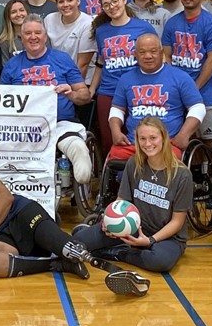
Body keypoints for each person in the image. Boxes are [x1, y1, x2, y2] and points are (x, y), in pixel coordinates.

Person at [0, 145, 150, 296]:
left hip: (22, 214)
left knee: (71, 248)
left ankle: (108, 261)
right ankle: (54, 264)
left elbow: (5, 196)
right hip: (2, 240)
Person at [72, 117, 191, 273]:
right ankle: (100, 238)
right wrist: (109, 222)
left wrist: (149, 240)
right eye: (142, 138)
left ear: (164, 138)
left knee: (160, 262)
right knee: (77, 242)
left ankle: (119, 253)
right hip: (133, 227)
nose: (148, 144)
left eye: (153, 138)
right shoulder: (133, 164)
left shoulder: (182, 175)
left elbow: (177, 222)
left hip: (168, 238)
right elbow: (121, 201)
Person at [1, 15, 94, 185]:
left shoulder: (62, 59)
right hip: (23, 129)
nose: (33, 37)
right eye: (28, 33)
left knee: (77, 148)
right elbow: (0, 104)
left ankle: (81, 178)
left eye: (38, 32)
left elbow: (85, 96)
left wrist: (70, 94)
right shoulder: (12, 65)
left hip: (60, 123)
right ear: (21, 37)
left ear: (45, 36)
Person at [109, 34, 204, 157]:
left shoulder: (181, 77)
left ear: (162, 53)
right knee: (115, 154)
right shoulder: (125, 79)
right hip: (134, 143)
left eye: (153, 51)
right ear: (135, 55)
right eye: (142, 52)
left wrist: (184, 135)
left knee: (171, 159)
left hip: (167, 143)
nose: (148, 56)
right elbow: (117, 109)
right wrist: (116, 132)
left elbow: (198, 108)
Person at [89, 0, 156, 157]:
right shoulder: (101, 31)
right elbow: (101, 61)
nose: (111, 7)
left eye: (115, 1)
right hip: (109, 92)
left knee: (140, 138)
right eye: (106, 5)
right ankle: (113, 181)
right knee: (110, 140)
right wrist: (91, 89)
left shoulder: (143, 27)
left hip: (138, 91)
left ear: (124, 0)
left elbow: (157, 57)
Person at [162, 0, 212, 145]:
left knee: (211, 144)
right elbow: (166, 55)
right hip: (176, 94)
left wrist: (193, 88)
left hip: (205, 94)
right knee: (179, 141)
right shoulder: (172, 23)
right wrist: (178, 87)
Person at [44, 0, 95, 77]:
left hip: (81, 78)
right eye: (61, 1)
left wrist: (75, 87)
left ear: (78, 1)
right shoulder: (49, 19)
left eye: (70, 0)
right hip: (56, 75)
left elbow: (83, 65)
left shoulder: (88, 23)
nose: (65, 5)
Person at [0, 0, 30, 64]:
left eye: (21, 10)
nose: (18, 14)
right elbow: (6, 69)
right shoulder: (4, 42)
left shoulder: (38, 36)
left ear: (27, 12)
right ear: (8, 17)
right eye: (13, 12)